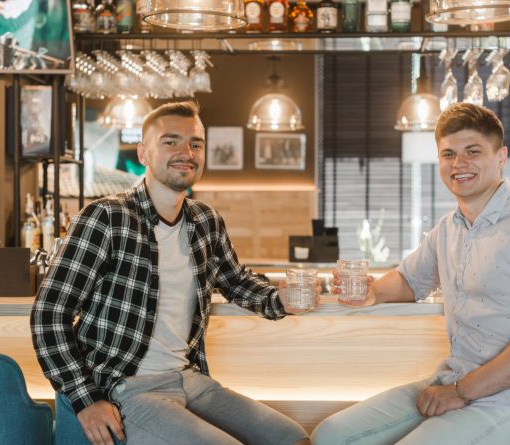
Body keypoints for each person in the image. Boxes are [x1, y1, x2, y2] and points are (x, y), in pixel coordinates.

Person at [31, 101, 312, 445]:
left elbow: (236, 281)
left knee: (291, 438)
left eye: (195, 143)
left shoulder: (205, 220)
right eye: (171, 141)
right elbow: (49, 314)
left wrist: (279, 299)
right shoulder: (107, 217)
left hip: (189, 379)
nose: (186, 152)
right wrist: (85, 399)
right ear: (144, 153)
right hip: (126, 386)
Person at [312, 103, 510, 445]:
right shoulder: (449, 228)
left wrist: (461, 392)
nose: (459, 163)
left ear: (501, 157)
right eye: (448, 153)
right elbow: (410, 279)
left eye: (473, 151)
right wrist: (373, 291)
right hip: (454, 382)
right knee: (330, 436)